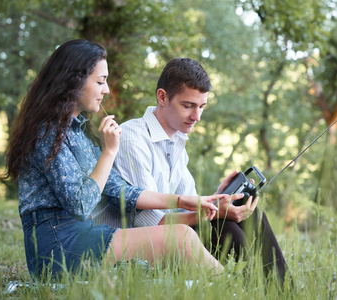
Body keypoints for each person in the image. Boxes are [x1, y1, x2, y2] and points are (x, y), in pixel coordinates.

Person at [5, 40, 237, 279]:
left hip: (84, 234)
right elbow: (80, 204)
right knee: (181, 237)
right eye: (100, 81)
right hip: (57, 246)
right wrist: (109, 152)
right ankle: (233, 291)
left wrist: (184, 200)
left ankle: (231, 288)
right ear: (73, 81)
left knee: (183, 235)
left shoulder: (78, 133)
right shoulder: (48, 133)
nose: (105, 89)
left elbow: (123, 193)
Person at [95, 57, 289, 282]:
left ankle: (284, 292)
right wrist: (215, 212)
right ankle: (255, 291)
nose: (197, 117)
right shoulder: (132, 138)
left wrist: (216, 200)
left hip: (170, 235)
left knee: (250, 216)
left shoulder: (177, 141)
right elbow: (152, 222)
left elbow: (188, 205)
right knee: (225, 228)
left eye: (202, 107)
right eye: (188, 106)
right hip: (132, 248)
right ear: (162, 97)